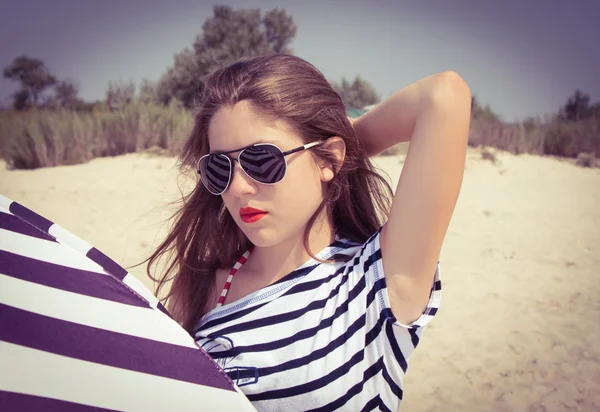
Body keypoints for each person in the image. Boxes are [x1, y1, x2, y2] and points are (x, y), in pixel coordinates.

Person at [147, 54, 471, 411]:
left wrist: (333, 151)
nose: (238, 187)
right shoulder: (200, 288)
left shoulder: (376, 283)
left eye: (262, 159)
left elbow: (443, 96)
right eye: (219, 168)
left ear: (328, 160)